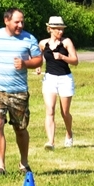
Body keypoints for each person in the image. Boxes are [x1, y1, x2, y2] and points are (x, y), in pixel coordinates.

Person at [0, 8, 43, 176]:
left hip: (19, 92)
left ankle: (24, 163)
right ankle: (0, 166)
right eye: (17, 22)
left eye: (22, 22)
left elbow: (39, 59)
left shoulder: (29, 38)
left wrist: (26, 64)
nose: (20, 25)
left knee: (20, 128)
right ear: (6, 21)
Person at [36, 16, 79, 151]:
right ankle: (51, 142)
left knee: (65, 112)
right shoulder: (43, 43)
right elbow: (38, 57)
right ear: (50, 29)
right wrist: (38, 66)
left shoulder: (66, 42)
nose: (60, 32)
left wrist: (62, 57)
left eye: (61, 29)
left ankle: (69, 133)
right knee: (50, 110)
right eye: (57, 29)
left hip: (65, 79)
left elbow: (75, 61)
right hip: (50, 78)